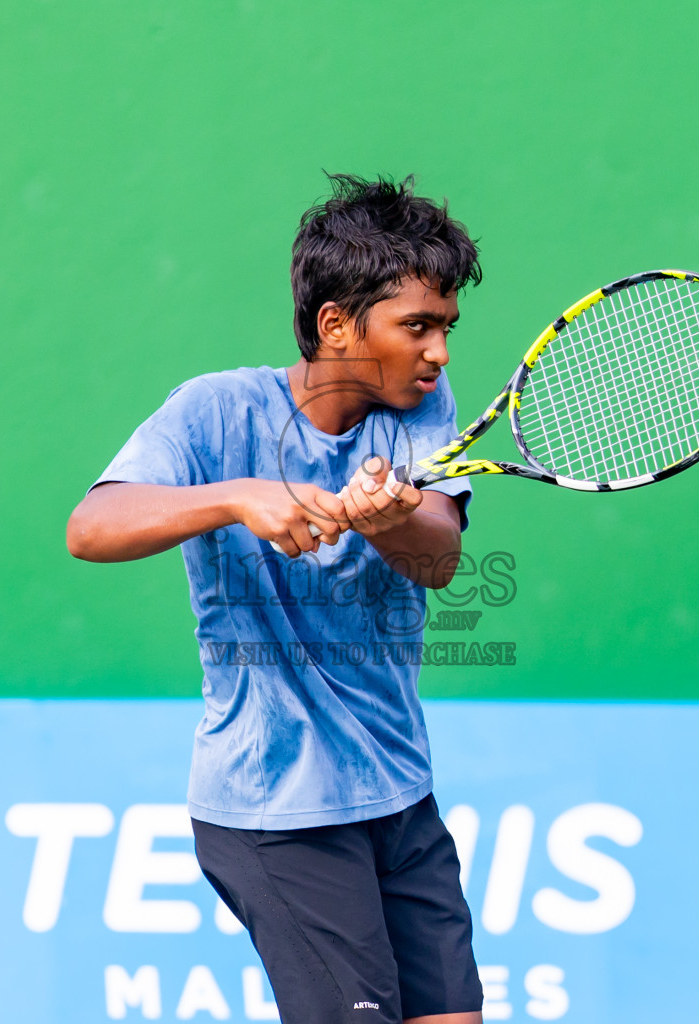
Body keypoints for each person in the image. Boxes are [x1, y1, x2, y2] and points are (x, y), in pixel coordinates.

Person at [67, 173, 484, 1024]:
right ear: (337, 325)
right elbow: (92, 526)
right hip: (277, 808)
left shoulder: (424, 409)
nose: (439, 352)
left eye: (444, 327)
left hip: (400, 795)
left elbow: (438, 555)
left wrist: (386, 520)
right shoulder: (212, 411)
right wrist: (234, 496)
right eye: (417, 327)